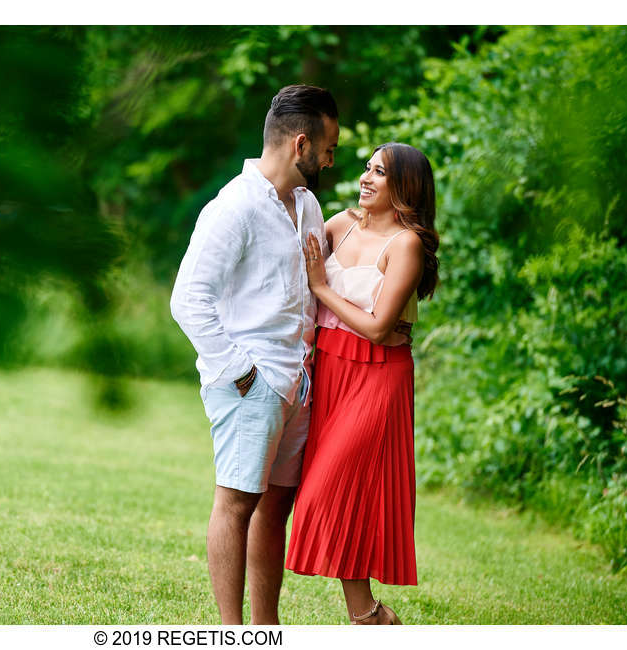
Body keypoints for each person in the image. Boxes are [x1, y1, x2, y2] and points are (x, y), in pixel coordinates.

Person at [170, 86, 409, 625]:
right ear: (301, 143)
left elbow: (332, 278)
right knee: (236, 503)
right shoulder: (233, 207)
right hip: (250, 383)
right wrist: (240, 373)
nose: (332, 158)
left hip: (299, 382)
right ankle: (235, 634)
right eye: (328, 147)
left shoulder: (305, 205)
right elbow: (187, 299)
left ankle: (266, 627)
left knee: (274, 507)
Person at [284, 142, 439, 625]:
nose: (366, 179)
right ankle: (369, 616)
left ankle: (367, 613)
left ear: (405, 187)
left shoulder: (407, 244)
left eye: (380, 173)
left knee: (326, 488)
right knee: (332, 491)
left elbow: (377, 326)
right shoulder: (337, 224)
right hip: (330, 371)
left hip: (377, 374)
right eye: (366, 169)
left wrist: (322, 287)